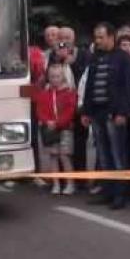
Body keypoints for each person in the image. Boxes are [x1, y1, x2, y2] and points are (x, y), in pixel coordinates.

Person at [80, 22, 130, 210]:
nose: (97, 41)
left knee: (117, 155)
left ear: (111, 36)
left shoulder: (124, 59)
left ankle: (121, 195)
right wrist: (86, 111)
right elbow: (90, 85)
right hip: (97, 112)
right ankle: (107, 191)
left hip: (114, 113)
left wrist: (123, 112)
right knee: (103, 155)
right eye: (96, 37)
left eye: (101, 37)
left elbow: (128, 88)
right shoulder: (95, 58)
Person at [34, 63, 78, 194]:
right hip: (49, 129)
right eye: (52, 77)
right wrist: (47, 121)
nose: (55, 79)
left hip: (65, 128)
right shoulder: (44, 93)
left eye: (58, 76)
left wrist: (58, 122)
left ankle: (70, 184)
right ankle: (56, 183)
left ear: (63, 77)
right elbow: (39, 110)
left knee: (65, 156)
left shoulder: (69, 93)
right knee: (53, 156)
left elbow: (70, 111)